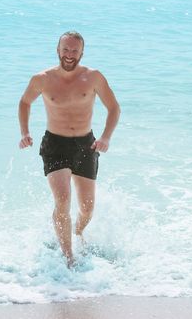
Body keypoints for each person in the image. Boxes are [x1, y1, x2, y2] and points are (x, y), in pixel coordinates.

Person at [18, 31, 120, 268]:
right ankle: (67, 256)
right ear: (58, 50)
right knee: (63, 199)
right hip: (55, 144)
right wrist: (25, 132)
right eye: (66, 49)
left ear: (82, 52)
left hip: (86, 144)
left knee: (87, 208)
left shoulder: (94, 77)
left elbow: (114, 108)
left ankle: (77, 231)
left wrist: (106, 137)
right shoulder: (42, 79)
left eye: (75, 50)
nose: (70, 55)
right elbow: (24, 102)